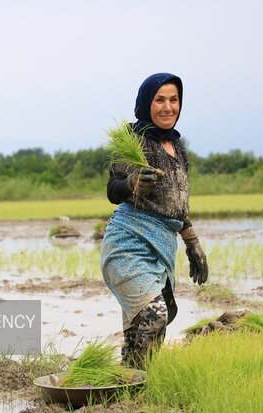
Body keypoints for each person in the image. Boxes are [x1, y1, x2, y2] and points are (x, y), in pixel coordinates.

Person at [100, 72, 208, 369]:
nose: (167, 107)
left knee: (153, 325)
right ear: (147, 103)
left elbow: (178, 203)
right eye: (160, 100)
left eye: (174, 100)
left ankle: (134, 383)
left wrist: (193, 244)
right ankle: (132, 379)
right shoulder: (134, 142)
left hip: (162, 245)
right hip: (129, 243)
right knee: (154, 313)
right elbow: (113, 190)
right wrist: (132, 183)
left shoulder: (178, 147)